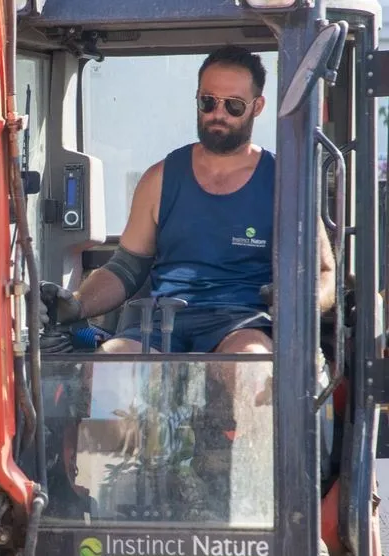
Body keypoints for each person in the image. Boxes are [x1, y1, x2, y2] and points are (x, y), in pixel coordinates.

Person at [40, 45, 336, 355]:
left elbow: (324, 272)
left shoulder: (284, 182)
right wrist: (77, 304)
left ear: (257, 106)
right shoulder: (160, 179)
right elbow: (126, 269)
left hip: (245, 321)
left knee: (246, 362)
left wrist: (303, 303)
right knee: (114, 361)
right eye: (208, 102)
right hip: (163, 320)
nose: (217, 114)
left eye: (233, 105)